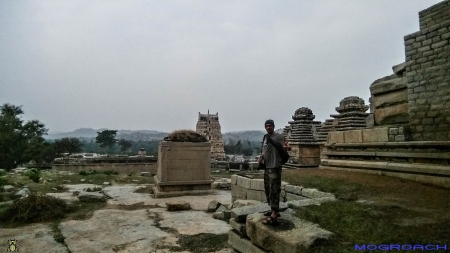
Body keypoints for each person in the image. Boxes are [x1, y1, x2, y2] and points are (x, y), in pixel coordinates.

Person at [258, 119, 285, 225]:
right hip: (267, 166)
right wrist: (261, 158)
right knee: (268, 189)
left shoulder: (279, 137)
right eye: (266, 126)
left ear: (273, 126)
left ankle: (274, 213)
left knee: (274, 190)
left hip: (275, 166)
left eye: (270, 125)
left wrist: (288, 147)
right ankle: (273, 209)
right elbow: (264, 150)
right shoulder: (265, 137)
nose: (268, 127)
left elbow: (286, 148)